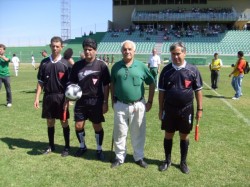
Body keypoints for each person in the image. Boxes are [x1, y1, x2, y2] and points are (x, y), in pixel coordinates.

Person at [158, 42, 203, 174]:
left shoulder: (192, 70)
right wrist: (161, 110)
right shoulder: (166, 71)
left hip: (186, 109)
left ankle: (183, 162)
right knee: (168, 135)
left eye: (178, 53)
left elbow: (198, 91)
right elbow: (161, 92)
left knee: (184, 136)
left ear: (184, 53)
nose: (176, 56)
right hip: (169, 109)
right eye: (173, 54)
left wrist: (200, 109)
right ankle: (167, 160)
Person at [110, 40, 155, 169]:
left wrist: (150, 101)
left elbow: (151, 83)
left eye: (130, 49)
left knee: (138, 132)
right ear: (121, 51)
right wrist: (112, 100)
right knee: (119, 133)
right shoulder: (116, 67)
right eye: (125, 49)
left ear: (134, 51)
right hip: (120, 104)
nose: (127, 51)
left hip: (138, 105)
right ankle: (119, 157)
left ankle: (139, 157)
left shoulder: (141, 66)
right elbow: (111, 83)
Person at [68, 38, 110, 161]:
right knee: (78, 125)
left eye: (90, 50)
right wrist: (70, 95)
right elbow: (72, 82)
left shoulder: (101, 65)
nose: (87, 52)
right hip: (81, 101)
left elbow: (107, 84)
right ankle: (82, 146)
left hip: (96, 101)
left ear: (95, 51)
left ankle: (99, 148)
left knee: (97, 126)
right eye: (85, 49)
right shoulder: (77, 65)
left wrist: (105, 102)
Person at [34, 36, 70, 157]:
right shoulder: (44, 62)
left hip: (61, 97)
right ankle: (51, 145)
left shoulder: (65, 63)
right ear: (50, 46)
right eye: (53, 46)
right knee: (50, 122)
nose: (55, 48)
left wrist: (67, 100)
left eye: (57, 46)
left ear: (61, 47)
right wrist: (36, 98)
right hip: (48, 96)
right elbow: (40, 82)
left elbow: (69, 84)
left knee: (64, 122)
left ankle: (66, 147)